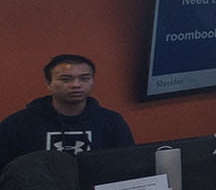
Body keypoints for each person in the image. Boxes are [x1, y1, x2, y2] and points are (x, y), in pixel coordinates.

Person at [0, 53, 134, 169]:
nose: (76, 85)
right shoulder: (17, 124)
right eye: (66, 79)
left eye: (84, 78)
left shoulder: (111, 121)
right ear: (48, 83)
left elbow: (128, 166)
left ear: (93, 81)